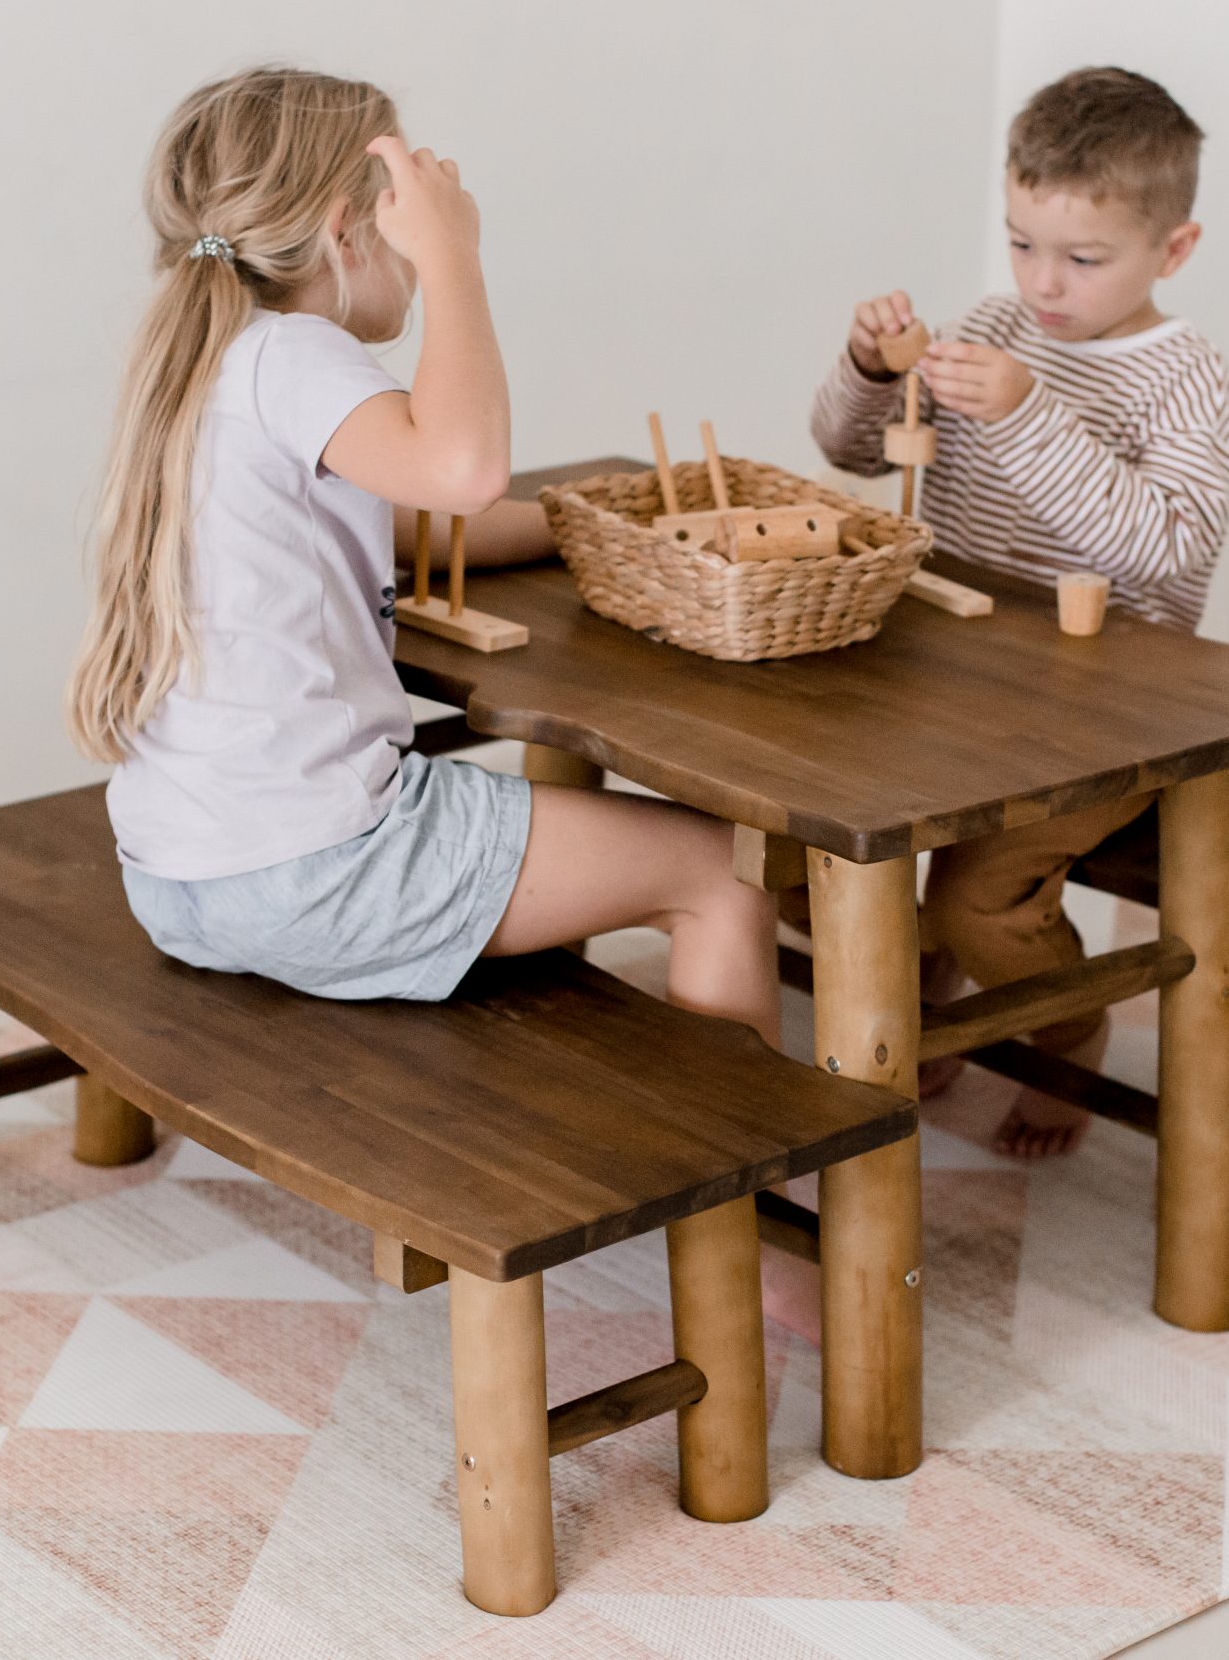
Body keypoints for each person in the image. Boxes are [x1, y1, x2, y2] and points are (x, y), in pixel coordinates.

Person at [68, 67, 778, 1045]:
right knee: (722, 872)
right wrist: (454, 262)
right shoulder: (292, 353)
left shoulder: (207, 360)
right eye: (397, 227)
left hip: (180, 875)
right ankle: (742, 1181)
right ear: (344, 232)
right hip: (314, 874)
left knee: (591, 840)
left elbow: (400, 518)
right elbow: (463, 471)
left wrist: (590, 522)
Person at [810, 66, 1229, 1157]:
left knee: (978, 903)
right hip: (953, 676)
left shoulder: (1186, 380)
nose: (1042, 284)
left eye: (1082, 259)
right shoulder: (999, 323)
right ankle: (933, 1010)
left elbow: (1160, 546)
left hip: (1107, 709)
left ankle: (1063, 1040)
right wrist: (871, 371)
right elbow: (856, 451)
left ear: (1173, 250)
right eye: (1020, 243)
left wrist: (1026, 412)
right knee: (818, 832)